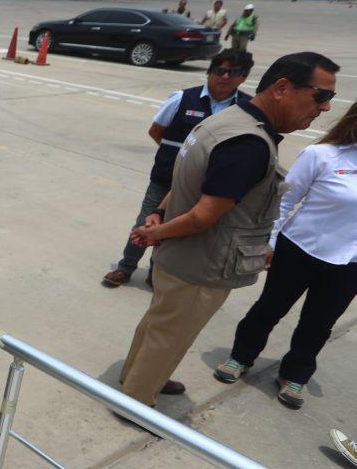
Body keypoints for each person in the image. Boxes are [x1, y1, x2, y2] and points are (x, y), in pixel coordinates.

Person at [118, 52, 338, 411]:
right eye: (321, 96)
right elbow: (204, 216)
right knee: (170, 335)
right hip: (201, 262)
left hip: (182, 257)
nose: (325, 108)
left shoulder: (228, 119)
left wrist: (158, 215)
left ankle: (139, 377)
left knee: (158, 326)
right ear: (282, 88)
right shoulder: (248, 143)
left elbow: (189, 183)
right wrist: (154, 233)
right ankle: (136, 401)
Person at [213, 99, 355, 408]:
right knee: (270, 308)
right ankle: (241, 356)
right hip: (299, 249)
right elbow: (284, 202)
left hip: (349, 265)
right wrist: (270, 242)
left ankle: (296, 374)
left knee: (319, 324)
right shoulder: (323, 156)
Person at [103, 49, 254, 288]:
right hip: (165, 179)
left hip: (206, 188)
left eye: (233, 72)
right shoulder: (182, 98)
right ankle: (125, 267)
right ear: (210, 71)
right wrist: (182, 160)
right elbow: (156, 131)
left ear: (243, 77)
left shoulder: (246, 108)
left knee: (174, 230)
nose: (225, 76)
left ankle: (156, 272)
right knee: (145, 223)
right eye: (220, 70)